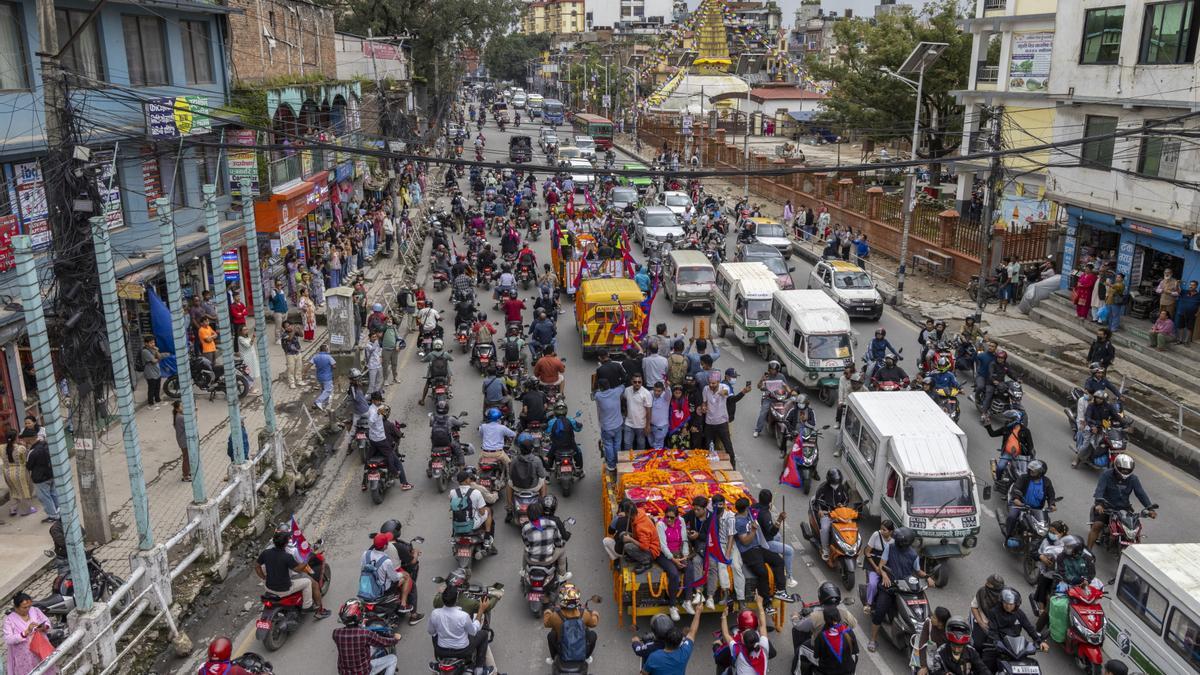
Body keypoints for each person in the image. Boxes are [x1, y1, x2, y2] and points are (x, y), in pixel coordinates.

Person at [868, 527, 932, 652]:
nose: (897, 542)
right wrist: (884, 575)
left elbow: (918, 571)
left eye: (899, 541)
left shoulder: (913, 555)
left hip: (906, 588)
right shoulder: (890, 548)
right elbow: (881, 565)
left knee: (924, 612)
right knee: (880, 611)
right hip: (889, 586)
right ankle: (873, 639)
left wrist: (928, 577)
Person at [255, 527, 329, 619]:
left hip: (268, 587)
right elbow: (298, 569)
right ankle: (309, 607)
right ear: (286, 543)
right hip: (284, 589)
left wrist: (264, 577)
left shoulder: (266, 552)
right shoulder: (288, 556)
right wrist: (307, 558)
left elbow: (257, 566)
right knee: (309, 582)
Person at [1087, 454, 1155, 549]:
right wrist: (1099, 504)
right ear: (1116, 467)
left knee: (1134, 528)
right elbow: (1099, 490)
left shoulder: (1133, 479)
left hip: (1124, 509)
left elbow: (1141, 493)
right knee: (1097, 525)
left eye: (1127, 470)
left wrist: (1150, 509)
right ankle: (1088, 551)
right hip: (1106, 507)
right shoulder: (1106, 475)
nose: (1125, 472)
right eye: (1123, 469)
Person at [733, 496, 791, 603]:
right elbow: (745, 541)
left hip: (758, 548)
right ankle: (766, 601)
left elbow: (760, 508)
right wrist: (753, 530)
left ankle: (780, 590)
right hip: (748, 552)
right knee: (762, 572)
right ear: (746, 508)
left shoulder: (748, 515)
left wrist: (779, 518)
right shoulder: (739, 522)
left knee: (778, 561)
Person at [981, 588, 1048, 671]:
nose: (1008, 606)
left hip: (1015, 648)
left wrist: (1040, 641)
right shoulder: (994, 612)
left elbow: (1029, 628)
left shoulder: (1019, 614)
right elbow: (993, 631)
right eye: (1005, 603)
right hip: (998, 645)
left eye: (1011, 604)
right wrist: (997, 643)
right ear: (1002, 602)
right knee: (985, 667)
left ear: (1016, 604)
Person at [428, 585, 491, 670]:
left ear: (442, 599)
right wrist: (481, 610)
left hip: (441, 651)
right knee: (484, 634)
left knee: (434, 635)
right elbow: (473, 631)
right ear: (457, 599)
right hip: (462, 651)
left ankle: (438, 662)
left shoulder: (435, 613)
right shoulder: (463, 616)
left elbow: (431, 631)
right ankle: (479, 668)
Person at [640, 600, 703, 675]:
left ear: (665, 639)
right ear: (679, 642)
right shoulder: (684, 652)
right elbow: (692, 632)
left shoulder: (654, 657)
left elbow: (644, 673)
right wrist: (698, 612)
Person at [543, 583, 598, 664]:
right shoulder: (585, 614)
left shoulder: (555, 616)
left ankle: (553, 658)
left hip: (562, 649)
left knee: (551, 635)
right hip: (581, 649)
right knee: (593, 635)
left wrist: (548, 611)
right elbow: (594, 623)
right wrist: (594, 613)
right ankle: (587, 657)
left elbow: (546, 623)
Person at [754, 489, 797, 589]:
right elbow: (772, 532)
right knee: (790, 551)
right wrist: (780, 519)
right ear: (770, 502)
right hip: (764, 542)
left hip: (757, 535)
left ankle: (774, 555)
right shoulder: (765, 514)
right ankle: (789, 578)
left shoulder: (754, 506)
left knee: (778, 536)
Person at [4, 592, 54, 675]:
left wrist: (43, 627)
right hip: (25, 656)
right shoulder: (9, 620)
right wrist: (26, 632)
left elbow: (47, 622)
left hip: (40, 650)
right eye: (24, 607)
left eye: (29, 606)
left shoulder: (35, 610)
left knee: (45, 670)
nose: (27, 609)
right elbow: (8, 639)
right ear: (16, 607)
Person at [1005, 460, 1055, 540]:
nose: (1031, 472)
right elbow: (1016, 488)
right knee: (1012, 517)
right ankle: (1008, 536)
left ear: (1041, 472)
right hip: (1021, 506)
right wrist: (1016, 499)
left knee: (1045, 523)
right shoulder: (1024, 478)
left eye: (1034, 471)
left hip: (1037, 509)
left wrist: (1052, 504)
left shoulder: (1046, 481)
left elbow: (1051, 494)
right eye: (1030, 470)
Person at [720, 597, 772, 675]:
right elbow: (763, 625)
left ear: (743, 642)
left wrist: (724, 616)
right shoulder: (763, 647)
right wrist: (759, 604)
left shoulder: (738, 650)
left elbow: (725, 634)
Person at [523, 501, 570, 582]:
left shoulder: (526, 528)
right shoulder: (552, 524)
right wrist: (561, 543)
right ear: (541, 513)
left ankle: (523, 572)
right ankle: (562, 575)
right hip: (548, 560)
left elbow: (526, 543)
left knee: (525, 550)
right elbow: (558, 542)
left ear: (528, 515)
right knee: (562, 550)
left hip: (532, 560)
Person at [451, 469, 496, 551]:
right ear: (467, 480)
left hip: (458, 524)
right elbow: (482, 512)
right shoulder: (476, 493)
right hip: (473, 524)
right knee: (489, 511)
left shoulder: (452, 492)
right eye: (469, 478)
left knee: (456, 512)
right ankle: (487, 538)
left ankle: (453, 535)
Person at [701, 371, 738, 467]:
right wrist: (704, 407)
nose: (711, 385)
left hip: (722, 423)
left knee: (728, 447)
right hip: (709, 423)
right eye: (709, 383)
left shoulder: (724, 387)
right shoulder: (705, 389)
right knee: (709, 447)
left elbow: (726, 392)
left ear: (718, 382)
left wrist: (722, 392)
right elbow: (704, 402)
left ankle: (733, 466)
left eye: (713, 383)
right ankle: (710, 468)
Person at [814, 468, 851, 561]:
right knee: (825, 529)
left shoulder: (842, 487)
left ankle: (850, 547)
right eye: (834, 482)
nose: (836, 484)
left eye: (837, 482)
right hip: (827, 514)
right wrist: (820, 510)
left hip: (839, 513)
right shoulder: (823, 488)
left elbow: (846, 499)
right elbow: (817, 501)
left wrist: (842, 505)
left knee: (850, 526)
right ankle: (825, 549)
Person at [985, 409, 1033, 478]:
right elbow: (992, 434)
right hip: (1008, 454)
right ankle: (998, 481)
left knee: (1024, 473)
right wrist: (988, 424)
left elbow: (1030, 445)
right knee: (1000, 467)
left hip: (1020, 456)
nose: (1007, 421)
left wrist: (1030, 457)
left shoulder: (1025, 431)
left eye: (1009, 420)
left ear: (1015, 420)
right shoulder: (1006, 428)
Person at [861, 520, 894, 609]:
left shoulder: (894, 541)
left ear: (890, 532)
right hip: (873, 564)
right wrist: (876, 567)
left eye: (884, 530)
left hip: (886, 567)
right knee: (872, 584)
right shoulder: (876, 535)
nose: (881, 531)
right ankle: (868, 603)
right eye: (881, 529)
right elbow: (867, 552)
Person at [594, 378, 625, 472]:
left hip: (606, 427)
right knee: (617, 444)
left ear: (600, 387)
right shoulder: (616, 392)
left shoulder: (598, 396)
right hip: (618, 425)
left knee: (608, 445)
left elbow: (594, 393)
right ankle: (618, 462)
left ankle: (611, 465)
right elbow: (623, 386)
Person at [546, 402, 585, 475]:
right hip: (571, 445)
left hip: (556, 446)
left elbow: (547, 432)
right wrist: (580, 425)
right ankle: (580, 470)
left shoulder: (551, 422)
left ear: (555, 411)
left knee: (549, 456)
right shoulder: (571, 420)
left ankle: (547, 473)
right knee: (578, 452)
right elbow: (578, 429)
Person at [969, 574, 1006, 647]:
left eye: (989, 583)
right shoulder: (982, 592)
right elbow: (974, 607)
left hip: (999, 626)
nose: (985, 584)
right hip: (983, 623)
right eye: (987, 582)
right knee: (977, 645)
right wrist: (981, 623)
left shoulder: (1005, 595)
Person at [25, 438, 56, 522]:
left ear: (29, 439)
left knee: (45, 497)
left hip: (40, 478)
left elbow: (28, 466)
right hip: (50, 474)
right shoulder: (46, 445)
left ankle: (53, 516)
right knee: (53, 494)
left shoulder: (32, 452)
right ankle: (58, 512)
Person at [622, 375, 654, 451]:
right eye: (635, 382)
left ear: (642, 382)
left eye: (639, 382)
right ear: (631, 382)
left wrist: (648, 426)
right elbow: (623, 400)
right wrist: (625, 411)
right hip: (628, 424)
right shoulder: (627, 390)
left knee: (641, 446)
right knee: (627, 445)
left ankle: (639, 459)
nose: (637, 383)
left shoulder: (646, 393)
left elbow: (649, 411)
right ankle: (629, 459)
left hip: (641, 425)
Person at [418, 339, 453, 406]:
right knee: (449, 375)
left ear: (434, 346)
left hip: (433, 375)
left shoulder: (430, 354)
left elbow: (424, 360)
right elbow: (452, 359)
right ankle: (447, 388)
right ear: (442, 345)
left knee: (427, 384)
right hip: (444, 374)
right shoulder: (445, 354)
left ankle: (422, 400)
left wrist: (421, 360)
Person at [310, 343, 336, 412]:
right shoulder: (329, 357)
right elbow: (334, 366)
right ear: (326, 350)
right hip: (327, 377)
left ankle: (324, 403)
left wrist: (303, 373)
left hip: (319, 377)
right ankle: (318, 401)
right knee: (328, 390)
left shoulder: (315, 356)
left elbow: (309, 364)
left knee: (323, 390)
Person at [281, 322, 302, 389]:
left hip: (298, 352)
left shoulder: (294, 332)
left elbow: (301, 335)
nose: (289, 327)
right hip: (289, 354)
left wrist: (299, 329)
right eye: (287, 326)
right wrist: (294, 330)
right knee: (291, 369)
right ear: (284, 328)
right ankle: (292, 383)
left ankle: (299, 380)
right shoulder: (284, 334)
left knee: (299, 367)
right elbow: (290, 338)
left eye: (289, 325)